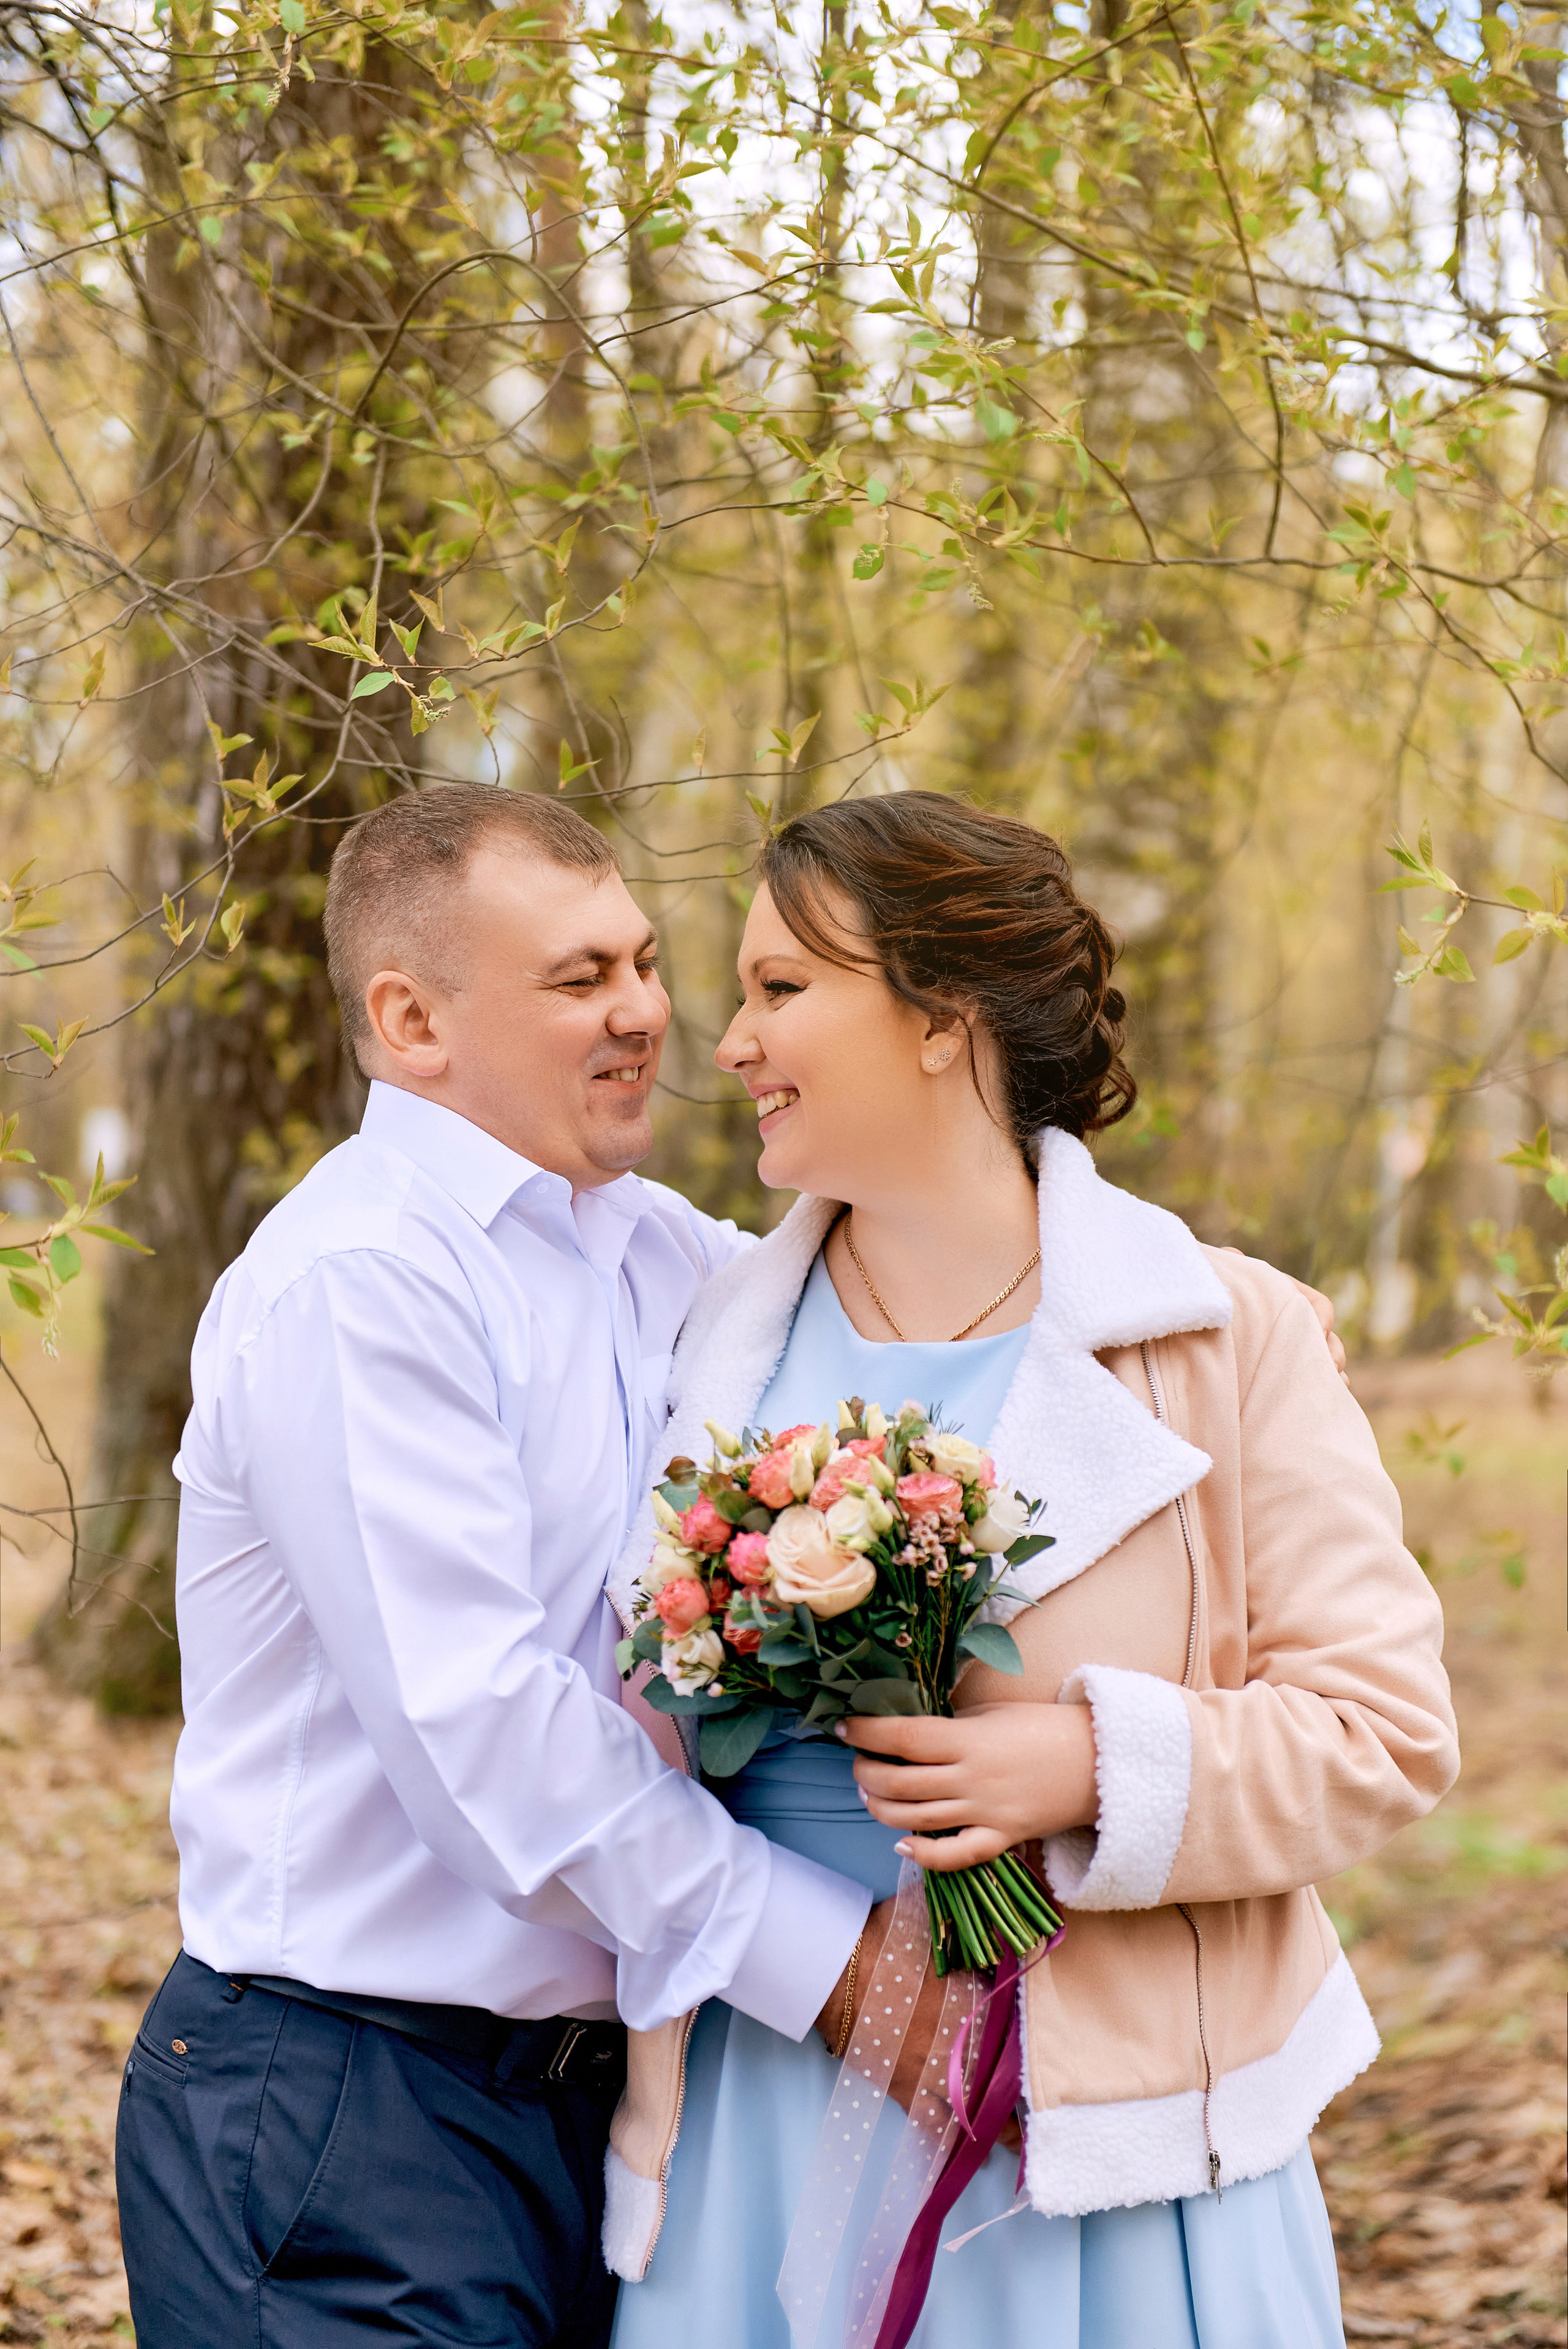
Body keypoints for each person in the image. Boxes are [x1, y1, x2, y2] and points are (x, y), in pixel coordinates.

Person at [603, 793, 1460, 2349]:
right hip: (763, 2113)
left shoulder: (1226, 1332)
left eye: (782, 989)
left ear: (941, 1017)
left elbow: (1382, 1731)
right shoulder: (697, 1338)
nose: (725, 1040)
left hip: (1107, 2158)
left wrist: (1091, 1763)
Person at [114, 784, 881, 2348]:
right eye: (578, 978)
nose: (647, 1014)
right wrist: (844, 1971)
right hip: (342, 2108)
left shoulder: (658, 1249)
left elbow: (919, 1316)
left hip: (595, 2112)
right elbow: (491, 1744)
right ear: (411, 1022)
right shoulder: (357, 1285)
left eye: (646, 963)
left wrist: (1189, 1302)